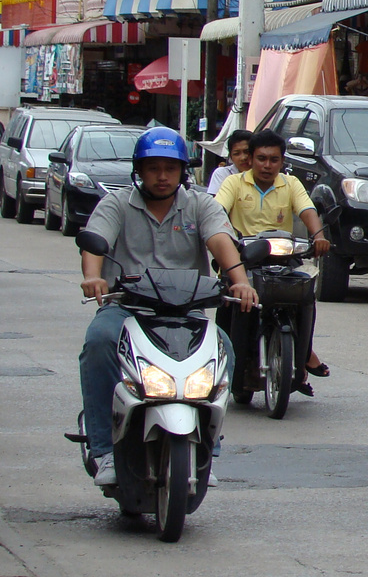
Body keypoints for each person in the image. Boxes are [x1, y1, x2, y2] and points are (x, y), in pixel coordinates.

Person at [79, 128, 259, 486]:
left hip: (185, 311)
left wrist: (240, 280)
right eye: (153, 168)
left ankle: (209, 446)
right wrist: (93, 276)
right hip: (127, 309)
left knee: (223, 347)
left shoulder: (199, 204)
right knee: (98, 342)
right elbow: (94, 243)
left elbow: (221, 241)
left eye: (170, 169)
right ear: (139, 171)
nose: (162, 177)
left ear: (182, 172)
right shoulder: (116, 203)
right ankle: (103, 451)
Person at [214, 128, 332, 380]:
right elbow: (216, 212)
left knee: (305, 295)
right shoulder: (233, 183)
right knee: (238, 302)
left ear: (282, 161)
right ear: (251, 159)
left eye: (274, 160)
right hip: (243, 258)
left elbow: (307, 210)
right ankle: (237, 365)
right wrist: (225, 238)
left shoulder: (290, 184)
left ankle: (302, 356)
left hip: (283, 258)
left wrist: (319, 237)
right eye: (261, 159)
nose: (267, 165)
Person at [207, 130, 252, 195]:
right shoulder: (223, 174)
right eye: (236, 154)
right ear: (231, 157)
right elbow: (216, 203)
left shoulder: (265, 175)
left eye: (247, 152)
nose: (243, 158)